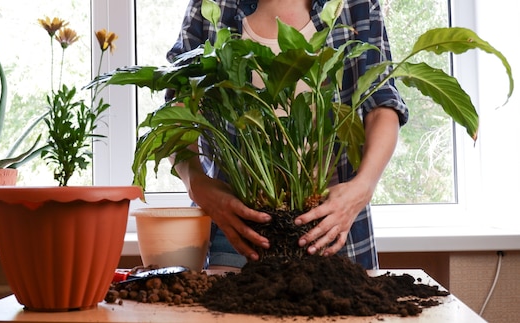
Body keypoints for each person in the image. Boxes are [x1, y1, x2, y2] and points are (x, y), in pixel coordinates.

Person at [166, 0, 408, 270]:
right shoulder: (212, 5)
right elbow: (178, 109)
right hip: (235, 226)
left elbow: (382, 105)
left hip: (333, 221)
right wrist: (196, 184)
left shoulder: (356, 5)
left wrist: (363, 187)